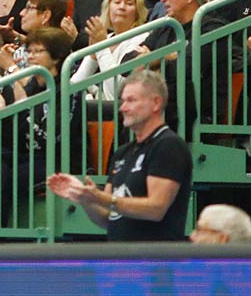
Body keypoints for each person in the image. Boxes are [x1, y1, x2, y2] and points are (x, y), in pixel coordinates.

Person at [48, 70, 190, 240]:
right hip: (121, 258)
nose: (122, 108)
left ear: (156, 103)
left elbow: (156, 209)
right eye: (123, 101)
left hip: (154, 260)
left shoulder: (168, 145)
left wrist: (101, 197)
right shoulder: (122, 153)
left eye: (131, 100)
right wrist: (84, 198)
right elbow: (106, 218)